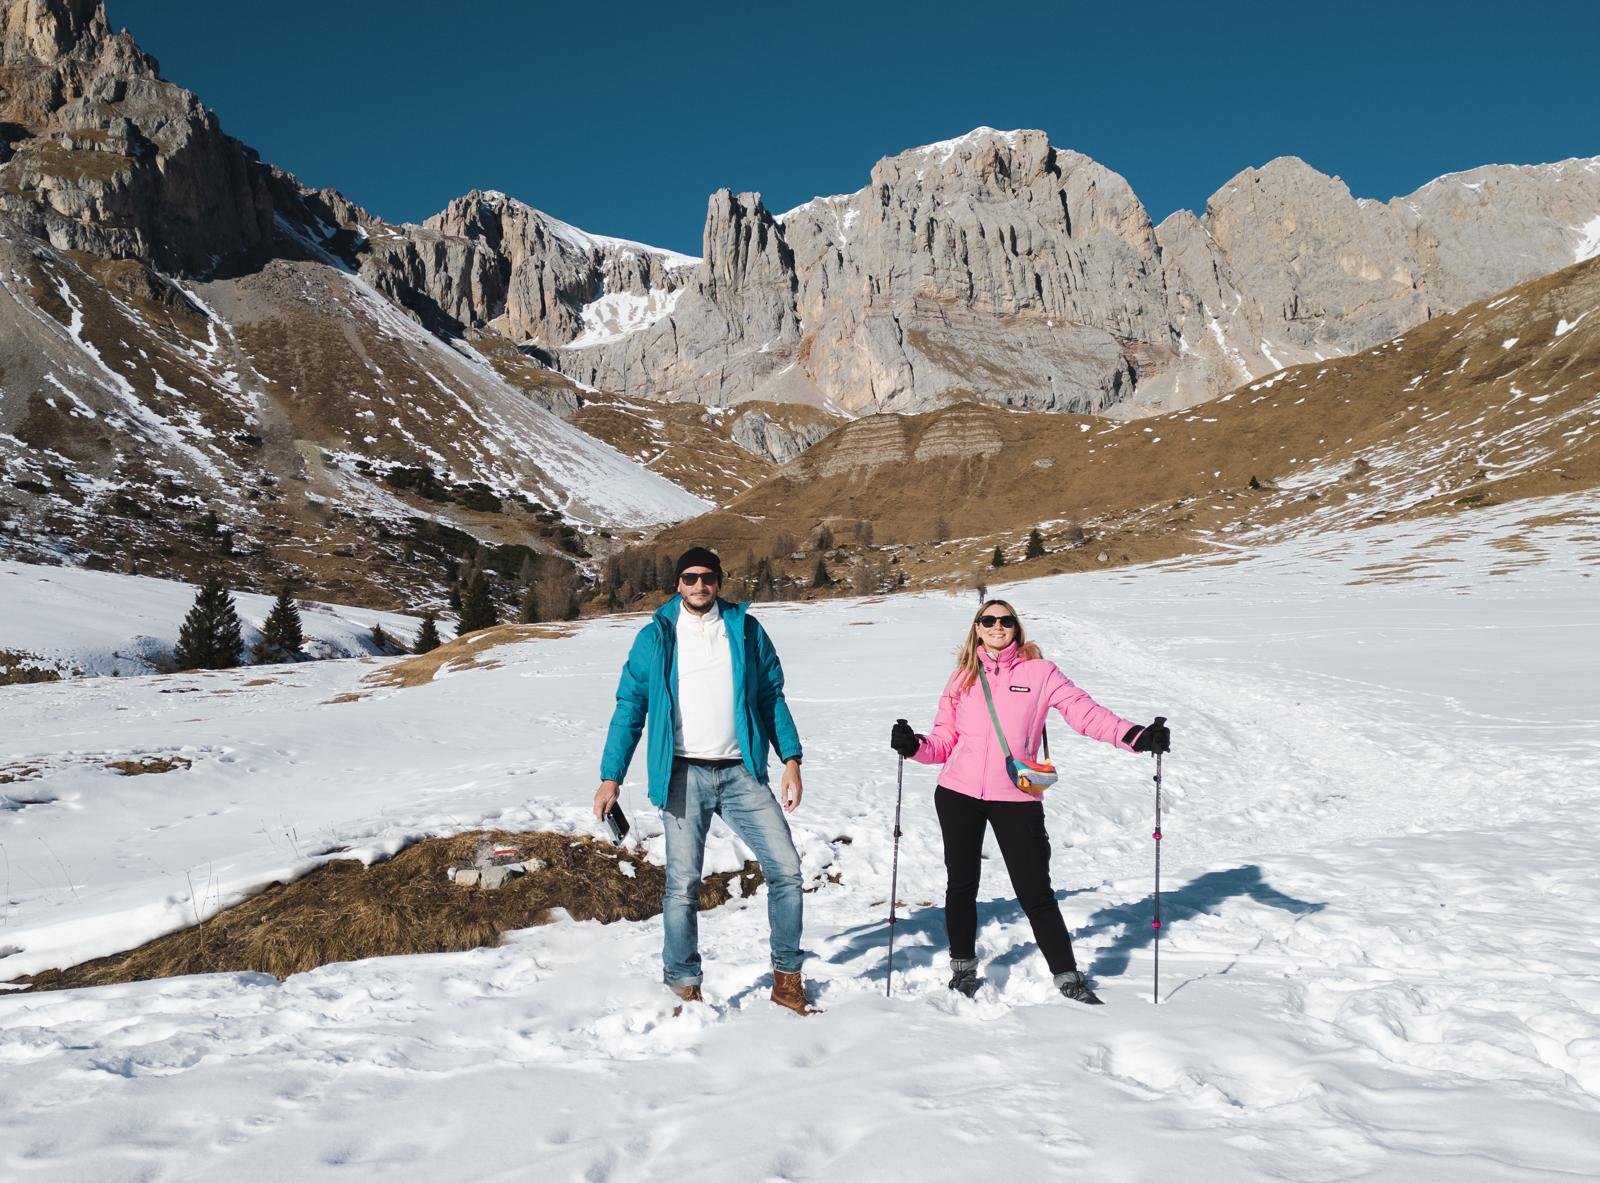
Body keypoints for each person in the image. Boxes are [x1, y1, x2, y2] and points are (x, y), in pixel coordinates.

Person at [889, 599, 1170, 1005]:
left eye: (1005, 620)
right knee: (961, 886)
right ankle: (963, 969)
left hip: (1016, 796)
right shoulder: (961, 679)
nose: (997, 626)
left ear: (1016, 627)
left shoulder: (1041, 673)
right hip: (957, 794)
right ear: (977, 628)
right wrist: (914, 746)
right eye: (989, 620)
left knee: (1035, 890)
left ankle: (1067, 975)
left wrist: (1135, 736)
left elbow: (1084, 713)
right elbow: (943, 741)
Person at [595, 546, 814, 1015]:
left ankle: (787, 977)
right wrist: (611, 775)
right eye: (690, 578)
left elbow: (771, 696)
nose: (699, 586)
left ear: (719, 581)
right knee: (682, 885)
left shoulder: (745, 629)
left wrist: (791, 758)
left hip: (742, 772)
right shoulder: (656, 636)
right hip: (682, 773)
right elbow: (630, 707)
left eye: (708, 578)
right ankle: (682, 984)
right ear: (678, 583)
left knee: (787, 870)